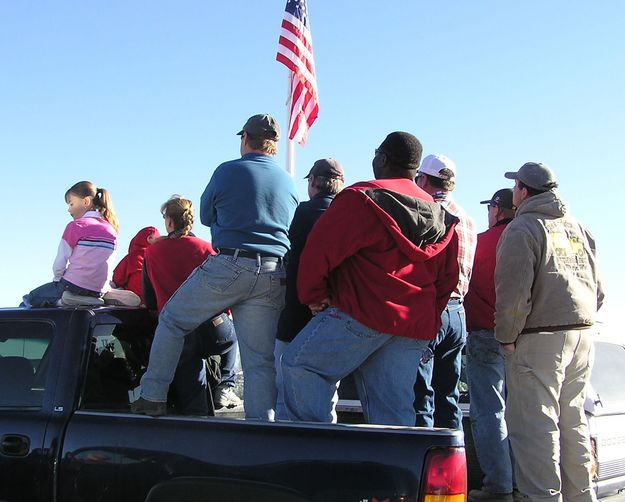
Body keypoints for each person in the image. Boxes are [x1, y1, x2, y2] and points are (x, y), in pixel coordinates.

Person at [279, 131, 460, 426]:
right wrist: (428, 319)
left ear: (383, 158)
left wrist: (314, 296)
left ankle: (315, 456)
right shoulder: (442, 217)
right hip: (413, 324)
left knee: (301, 366)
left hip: (361, 312)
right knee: (392, 412)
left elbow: (319, 251)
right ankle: (398, 471)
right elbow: (447, 279)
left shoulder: (361, 198)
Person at [132, 114, 298, 420]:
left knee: (172, 320)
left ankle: (153, 395)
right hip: (274, 272)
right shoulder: (288, 180)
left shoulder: (227, 171)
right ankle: (263, 429)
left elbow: (207, 216)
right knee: (260, 361)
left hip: (232, 264)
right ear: (274, 145)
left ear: (245, 138)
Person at [495, 162, 603, 501]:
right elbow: (598, 290)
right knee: (573, 423)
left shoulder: (522, 228)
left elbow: (513, 293)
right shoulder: (578, 228)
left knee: (535, 428)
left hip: (539, 338)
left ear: (523, 191)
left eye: (516, 186)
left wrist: (507, 338)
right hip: (582, 336)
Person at [141, 195, 239, 414]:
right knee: (231, 341)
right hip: (213, 328)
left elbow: (149, 298)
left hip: (178, 331)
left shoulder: (152, 252)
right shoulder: (207, 248)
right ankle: (226, 384)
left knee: (194, 393)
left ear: (169, 221)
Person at [274, 158, 345, 418]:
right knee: (327, 394)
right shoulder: (347, 216)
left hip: (297, 313)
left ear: (313, 182)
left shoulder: (304, 213)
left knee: (285, 393)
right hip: (334, 314)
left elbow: (292, 257)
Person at [414, 154, 477, 430]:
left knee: (421, 395)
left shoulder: (426, 213)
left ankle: (422, 464)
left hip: (431, 310)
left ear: (424, 179)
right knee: (448, 397)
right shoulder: (468, 218)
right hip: (458, 313)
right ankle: (454, 465)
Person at [464, 189, 517, 502]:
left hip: (485, 334)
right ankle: (525, 481)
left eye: (490, 207)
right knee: (524, 413)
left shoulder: (481, 244)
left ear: (498, 210)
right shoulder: (532, 239)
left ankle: (498, 485)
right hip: (525, 340)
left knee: (489, 413)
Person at [22, 181, 119, 308]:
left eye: (71, 203)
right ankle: (100, 296)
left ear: (85, 202)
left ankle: (63, 301)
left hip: (73, 286)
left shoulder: (76, 226)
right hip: (98, 289)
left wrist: (57, 280)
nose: (69, 209)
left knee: (29, 299)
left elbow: (60, 262)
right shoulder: (111, 229)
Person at [112, 226, 160, 303]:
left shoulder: (132, 257)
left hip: (135, 302)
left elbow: (117, 279)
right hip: (155, 304)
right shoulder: (159, 259)